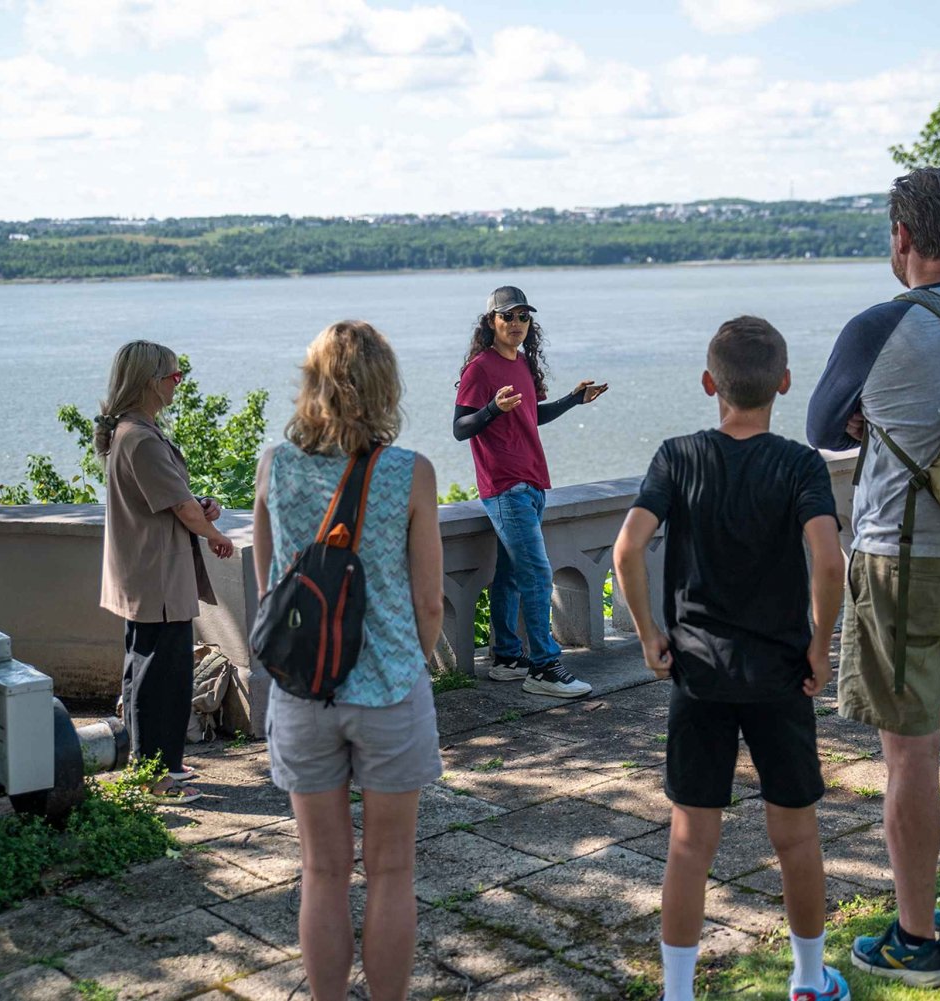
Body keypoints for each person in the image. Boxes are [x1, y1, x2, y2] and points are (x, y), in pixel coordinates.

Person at [806, 168, 940, 987]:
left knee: (909, 755)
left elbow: (821, 425)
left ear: (902, 236)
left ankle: (912, 936)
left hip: (904, 566)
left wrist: (872, 411)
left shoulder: (879, 325)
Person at [614, 316, 849, 1001]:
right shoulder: (800, 463)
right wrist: (820, 645)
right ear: (783, 382)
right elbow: (829, 562)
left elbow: (628, 549)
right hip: (781, 673)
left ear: (709, 382)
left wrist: (648, 634)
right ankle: (808, 979)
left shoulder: (677, 456)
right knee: (797, 837)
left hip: (698, 672)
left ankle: (679, 992)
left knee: (690, 843)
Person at [252, 320, 444, 1001]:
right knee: (391, 869)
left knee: (322, 869)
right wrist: (409, 665)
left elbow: (270, 583)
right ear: (384, 385)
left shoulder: (275, 466)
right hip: (388, 688)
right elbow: (428, 602)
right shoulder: (410, 473)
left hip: (303, 692)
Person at [97, 340, 234, 806]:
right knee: (161, 676)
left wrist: (200, 507)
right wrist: (215, 533)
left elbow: (173, 499)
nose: (179, 383)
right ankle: (155, 775)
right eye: (175, 376)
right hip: (156, 575)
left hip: (145, 571)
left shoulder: (130, 433)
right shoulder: (140, 437)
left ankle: (154, 763)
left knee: (144, 669)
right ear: (151, 381)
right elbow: (177, 505)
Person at [453, 285, 608, 698]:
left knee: (510, 575)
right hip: (505, 487)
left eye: (523, 317)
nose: (517, 324)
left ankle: (506, 657)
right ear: (491, 322)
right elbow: (459, 429)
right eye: (508, 316)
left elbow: (531, 415)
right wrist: (491, 410)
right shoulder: (479, 369)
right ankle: (543, 666)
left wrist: (574, 400)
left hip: (533, 482)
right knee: (538, 573)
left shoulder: (521, 363)